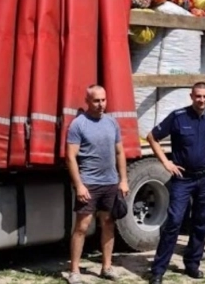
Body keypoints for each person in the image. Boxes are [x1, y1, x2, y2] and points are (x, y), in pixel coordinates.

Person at [146, 82, 205, 284]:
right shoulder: (178, 117)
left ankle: (192, 264)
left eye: (204, 96)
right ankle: (158, 270)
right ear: (191, 96)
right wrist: (166, 162)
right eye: (197, 96)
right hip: (183, 179)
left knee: (201, 221)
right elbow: (152, 136)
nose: (201, 100)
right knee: (174, 222)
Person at [65, 85, 129, 283]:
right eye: (96, 100)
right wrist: (79, 185)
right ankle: (74, 271)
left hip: (110, 183)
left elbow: (120, 152)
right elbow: (70, 157)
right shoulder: (78, 124)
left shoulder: (112, 122)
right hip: (89, 184)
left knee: (108, 224)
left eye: (103, 100)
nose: (101, 104)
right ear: (87, 101)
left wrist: (123, 180)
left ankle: (106, 267)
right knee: (82, 227)